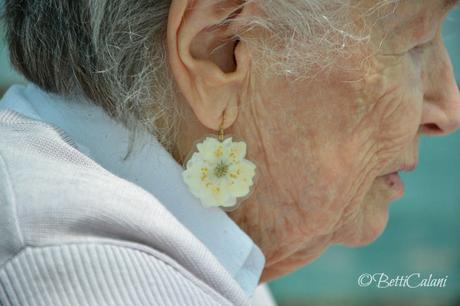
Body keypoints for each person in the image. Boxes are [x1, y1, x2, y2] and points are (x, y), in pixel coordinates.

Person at [1, 0, 459, 305]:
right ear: (220, 50)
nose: (448, 109)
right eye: (414, 43)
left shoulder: (203, 244)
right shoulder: (88, 277)